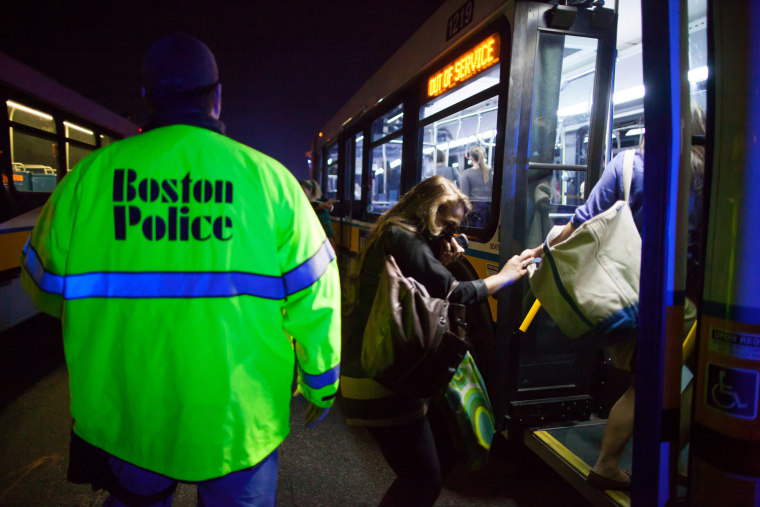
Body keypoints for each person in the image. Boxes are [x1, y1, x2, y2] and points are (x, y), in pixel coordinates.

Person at [19, 34, 341, 506]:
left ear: (147, 99)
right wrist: (321, 383)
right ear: (216, 97)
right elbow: (317, 296)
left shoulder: (87, 180)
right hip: (239, 418)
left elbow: (42, 287)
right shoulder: (272, 182)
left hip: (131, 412)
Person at [524, 103, 706, 491]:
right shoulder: (705, 175)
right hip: (682, 302)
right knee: (691, 385)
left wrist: (540, 251)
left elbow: (581, 221)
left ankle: (613, 463)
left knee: (648, 383)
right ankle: (660, 461)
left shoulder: (627, 165)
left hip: (629, 296)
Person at [340, 175, 533, 506]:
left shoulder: (395, 232)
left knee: (434, 464)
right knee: (424, 478)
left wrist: (440, 260)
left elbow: (420, 290)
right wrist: (504, 277)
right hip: (380, 374)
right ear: (429, 212)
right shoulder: (401, 236)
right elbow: (453, 292)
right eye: (446, 228)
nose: (448, 236)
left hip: (381, 369)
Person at [460, 145, 493, 228]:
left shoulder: (466, 174)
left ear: (471, 158)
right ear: (485, 155)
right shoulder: (492, 173)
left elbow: (464, 196)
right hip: (491, 212)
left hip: (474, 213)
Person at [300, 178, 337, 243]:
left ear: (310, 191)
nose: (300, 193)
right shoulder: (319, 205)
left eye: (303, 190)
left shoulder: (322, 208)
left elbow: (327, 230)